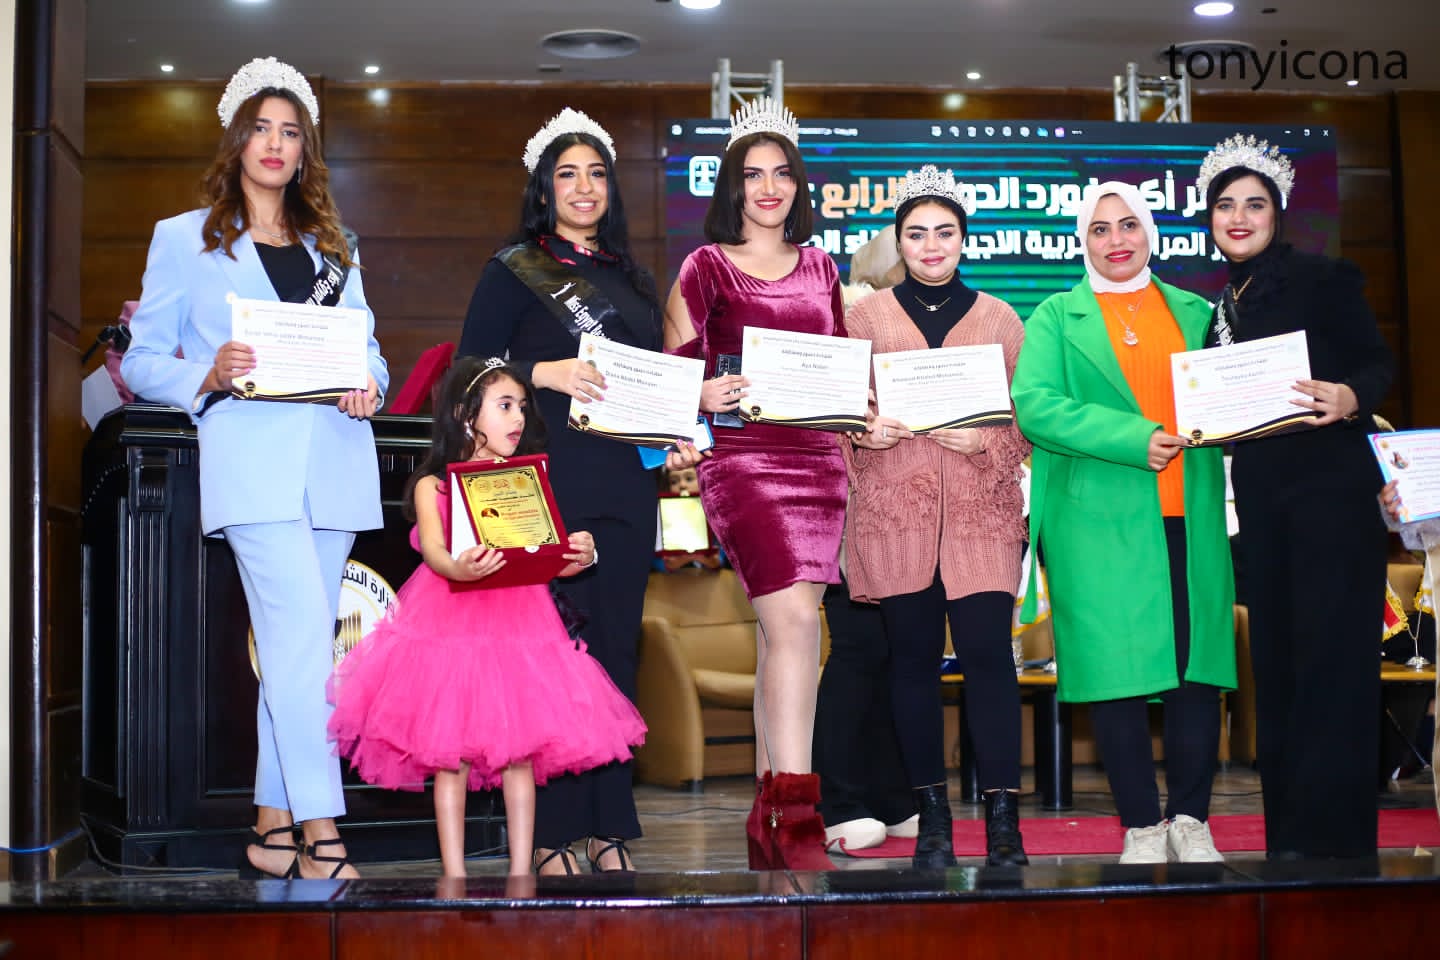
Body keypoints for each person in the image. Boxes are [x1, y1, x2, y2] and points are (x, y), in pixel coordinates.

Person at [119, 57, 388, 879]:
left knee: (300, 650)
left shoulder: (334, 248)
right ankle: (321, 833)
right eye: (261, 129)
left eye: (290, 132)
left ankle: (271, 836)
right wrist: (206, 372)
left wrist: (369, 383)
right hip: (252, 467)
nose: (275, 144)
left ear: (305, 151)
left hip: (333, 462)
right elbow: (141, 359)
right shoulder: (183, 238)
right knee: (299, 645)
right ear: (237, 141)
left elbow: (370, 348)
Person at [327, 358, 646, 877]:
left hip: (521, 626)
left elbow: (542, 553)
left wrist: (577, 554)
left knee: (520, 754)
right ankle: (454, 872)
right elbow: (435, 551)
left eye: (521, 407)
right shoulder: (434, 485)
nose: (518, 417)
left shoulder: (526, 480)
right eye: (504, 406)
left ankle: (521, 871)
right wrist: (460, 567)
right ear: (465, 414)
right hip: (450, 624)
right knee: (450, 757)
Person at [458, 108, 661, 875]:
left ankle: (610, 827)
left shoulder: (632, 278)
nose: (584, 187)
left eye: (596, 173)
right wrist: (545, 372)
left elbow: (649, 381)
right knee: (555, 658)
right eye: (567, 174)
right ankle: (549, 833)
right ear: (544, 189)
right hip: (547, 483)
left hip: (627, 484)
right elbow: (468, 369)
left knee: (616, 655)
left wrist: (674, 428)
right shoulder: (514, 268)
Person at [1011, 182, 1236, 864]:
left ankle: (1191, 820)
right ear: (1083, 240)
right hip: (1095, 525)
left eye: (1129, 224)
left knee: (1197, 673)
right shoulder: (1056, 316)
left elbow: (1234, 395)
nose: (1117, 240)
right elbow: (1034, 405)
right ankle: (1141, 824)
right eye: (1101, 228)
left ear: (1150, 233)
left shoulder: (1198, 312)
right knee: (1116, 675)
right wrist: (1133, 437)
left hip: (1189, 516)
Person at [1199, 136, 1393, 859]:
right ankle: (1290, 835)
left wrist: (1350, 396)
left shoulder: (1322, 277)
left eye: (1254, 205)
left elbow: (1378, 361)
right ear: (1209, 218)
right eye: (1225, 205)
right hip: (1264, 504)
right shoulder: (1222, 303)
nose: (1239, 218)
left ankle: (1337, 838)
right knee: (1278, 664)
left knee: (1331, 663)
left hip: (1332, 499)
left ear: (1276, 213)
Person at [664, 97, 843, 871]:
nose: (768, 187)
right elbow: (675, 376)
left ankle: (768, 815)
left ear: (798, 184)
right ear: (732, 186)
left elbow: (841, 362)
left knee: (784, 634)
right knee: (797, 624)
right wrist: (698, 393)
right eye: (752, 174)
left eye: (781, 174)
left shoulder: (823, 266)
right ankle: (799, 815)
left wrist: (865, 409)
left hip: (822, 463)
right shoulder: (703, 267)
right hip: (744, 460)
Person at [842, 166, 1031, 868]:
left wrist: (986, 441)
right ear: (899, 242)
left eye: (944, 232)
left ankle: (1005, 821)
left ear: (963, 239)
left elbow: (1026, 421)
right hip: (897, 517)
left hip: (982, 515)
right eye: (916, 233)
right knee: (912, 665)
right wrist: (864, 431)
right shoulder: (865, 319)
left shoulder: (1000, 319)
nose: (930, 245)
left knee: (989, 661)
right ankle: (933, 820)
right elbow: (838, 413)